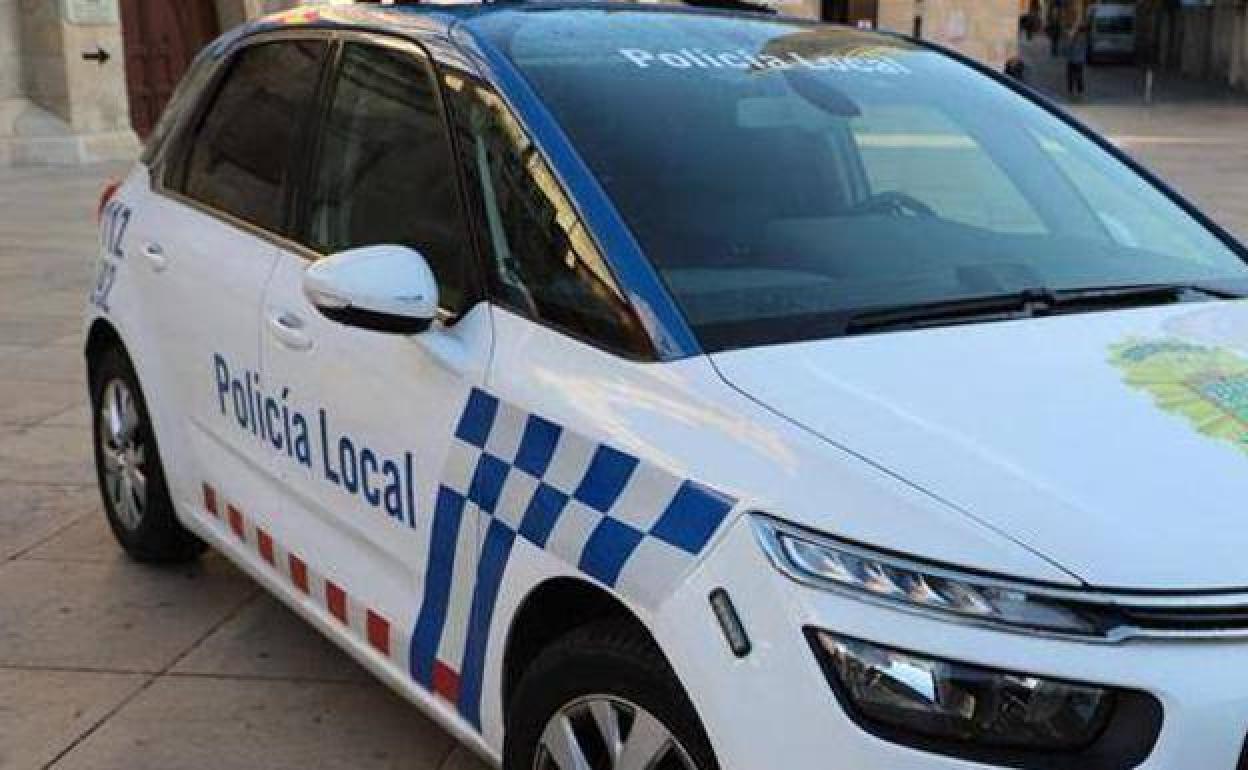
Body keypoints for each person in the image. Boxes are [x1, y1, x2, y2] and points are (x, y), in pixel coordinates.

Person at [1065, 22, 1089, 98]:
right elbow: (1084, 50)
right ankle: (1079, 91)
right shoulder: (1084, 38)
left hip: (1072, 59)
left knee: (1071, 76)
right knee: (1078, 76)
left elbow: (1068, 48)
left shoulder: (1075, 37)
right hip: (1079, 60)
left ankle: (1071, 91)